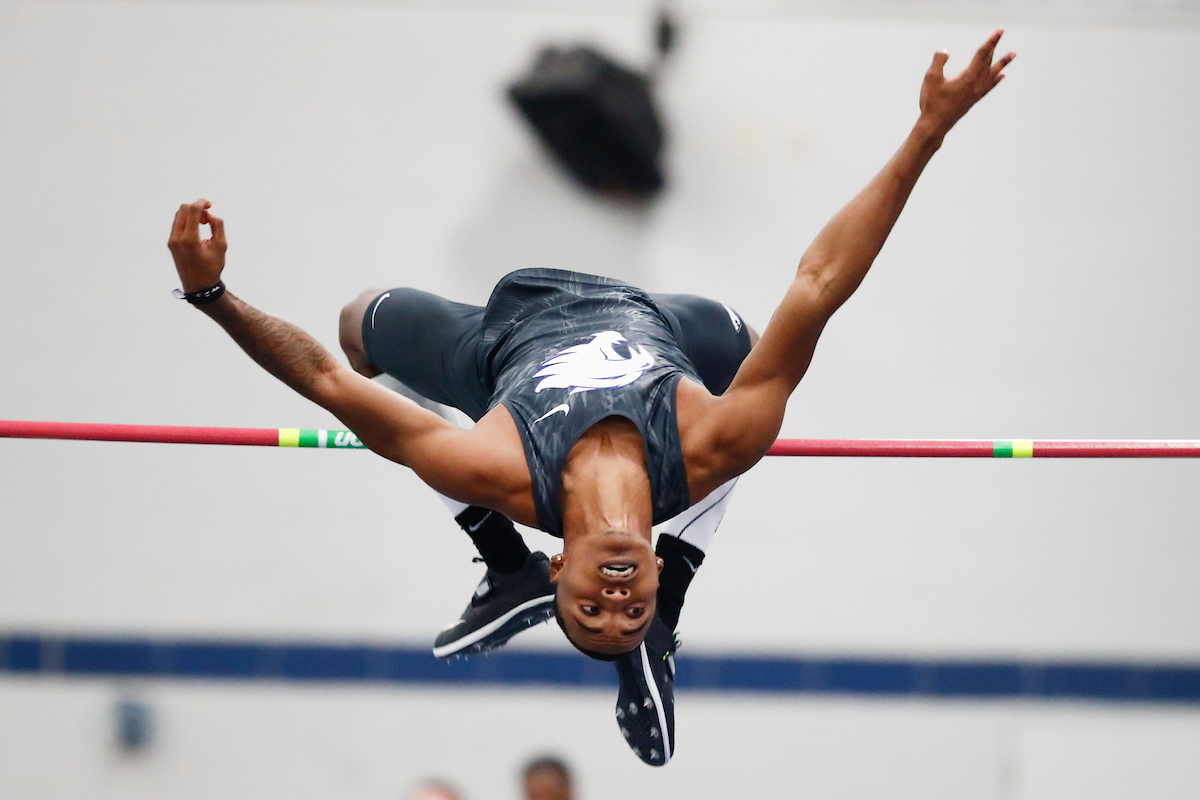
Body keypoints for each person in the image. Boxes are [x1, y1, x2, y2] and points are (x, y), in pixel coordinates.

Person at [167, 30, 1013, 664]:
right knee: (759, 355)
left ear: (560, 569)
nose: (615, 602)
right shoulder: (711, 441)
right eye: (633, 613)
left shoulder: (493, 466)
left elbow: (324, 379)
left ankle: (502, 566)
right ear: (650, 580)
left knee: (357, 328)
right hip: (663, 322)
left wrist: (213, 296)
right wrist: (928, 132)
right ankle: (659, 584)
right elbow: (821, 281)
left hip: (498, 338)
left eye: (592, 612)